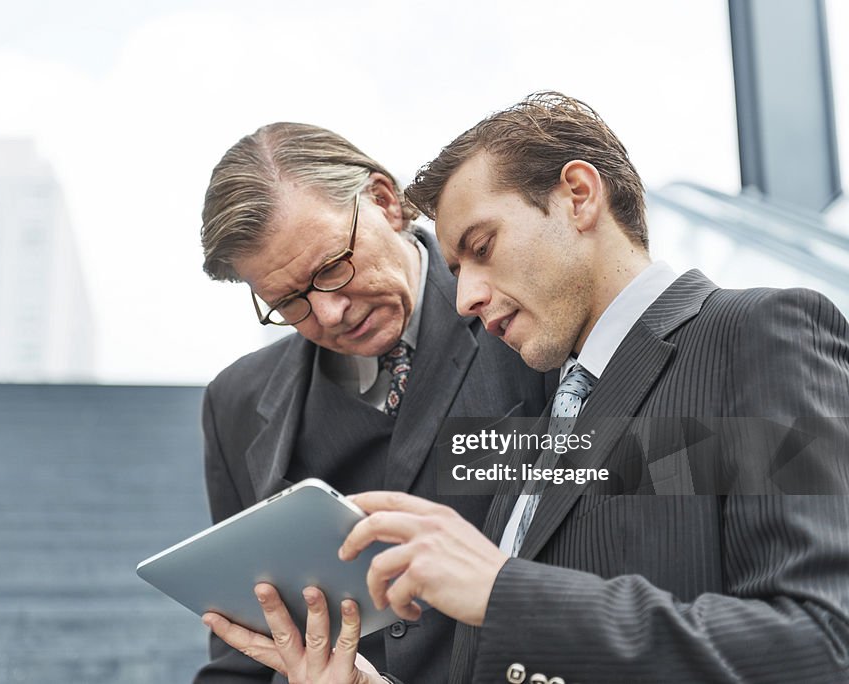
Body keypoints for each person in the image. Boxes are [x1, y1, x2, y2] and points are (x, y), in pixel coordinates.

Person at [205, 93, 849, 683]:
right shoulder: (566, 401)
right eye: (288, 301)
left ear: (578, 194)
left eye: (482, 247)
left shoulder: (758, 335)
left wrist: (502, 591)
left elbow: (822, 644)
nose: (466, 300)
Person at [194, 122, 550, 684]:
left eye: (332, 267)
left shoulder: (533, 315)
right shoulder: (235, 403)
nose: (330, 313)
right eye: (289, 301)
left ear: (386, 202)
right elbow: (243, 654)